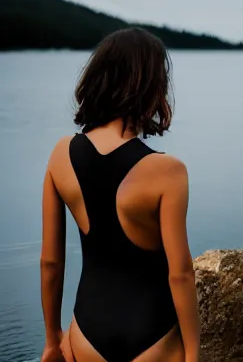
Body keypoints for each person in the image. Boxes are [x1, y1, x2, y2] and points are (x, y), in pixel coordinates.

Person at [39, 28, 200, 362]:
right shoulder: (168, 171)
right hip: (152, 339)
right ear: (151, 88)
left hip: (86, 335)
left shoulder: (60, 154)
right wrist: (193, 353)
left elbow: (51, 263)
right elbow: (180, 273)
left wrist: (53, 339)